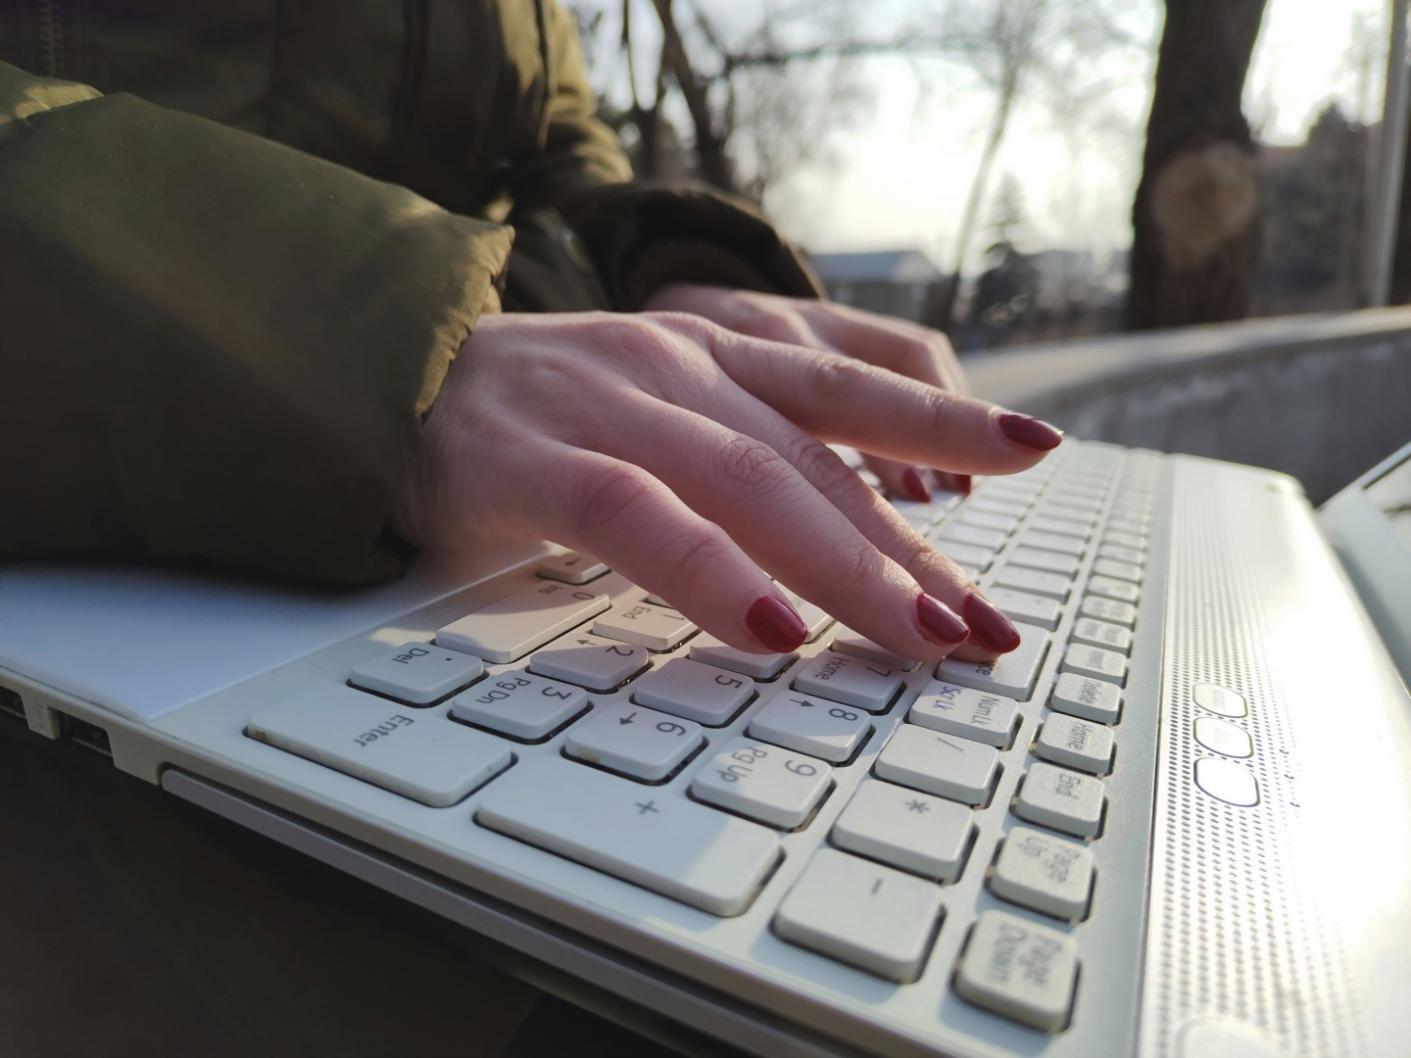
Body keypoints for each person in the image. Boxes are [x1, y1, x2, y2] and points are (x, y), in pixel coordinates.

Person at [0, 0, 1060, 665]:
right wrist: (399, 351)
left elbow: (552, 134)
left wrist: (654, 271)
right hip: (105, 572)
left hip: (439, 517)